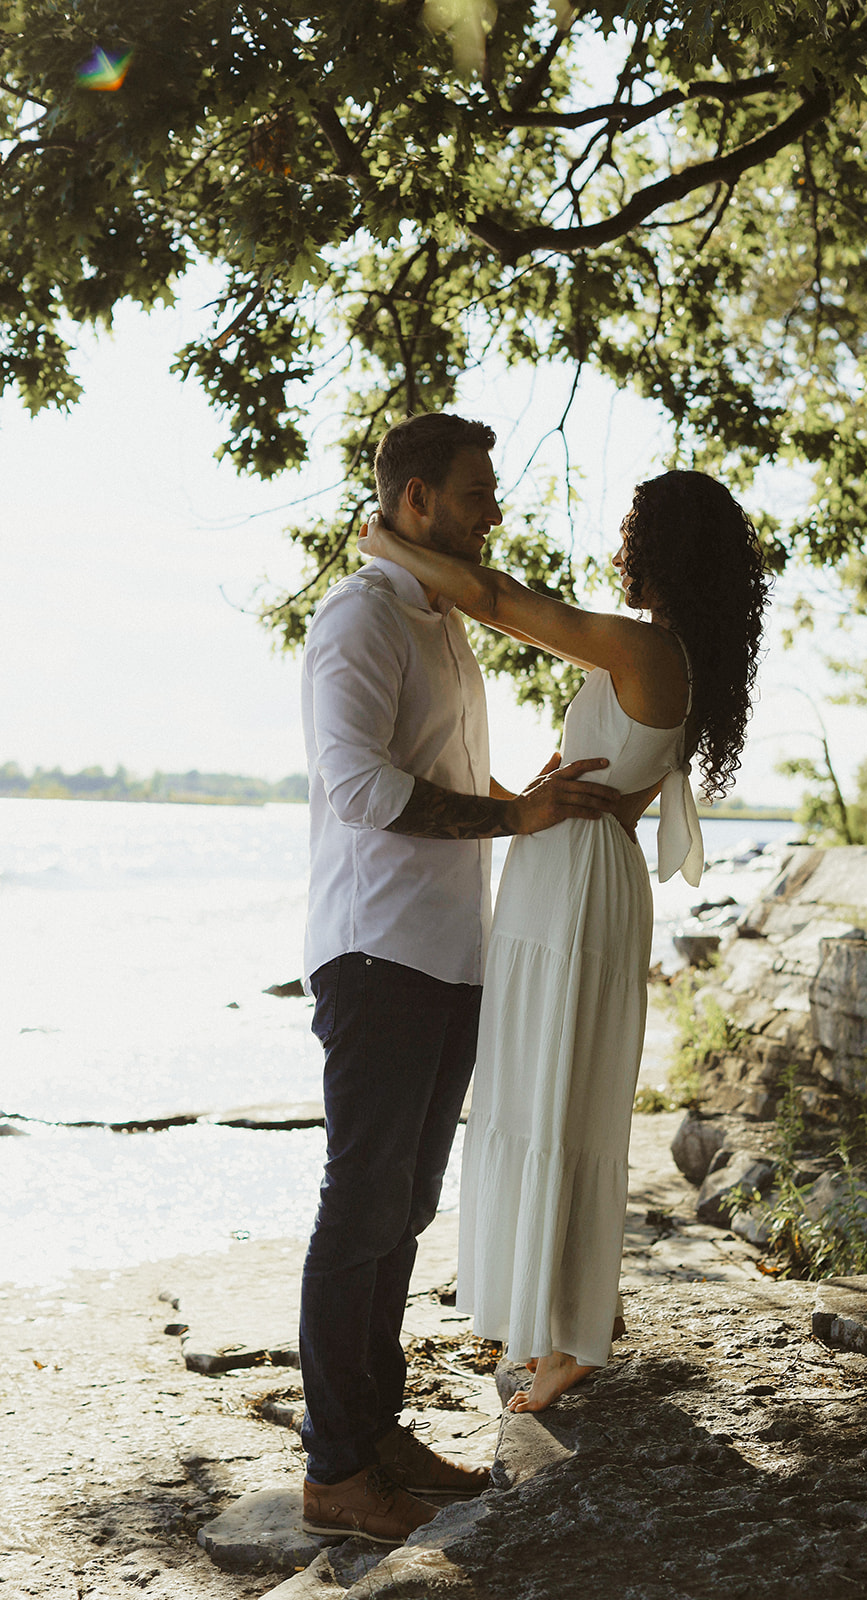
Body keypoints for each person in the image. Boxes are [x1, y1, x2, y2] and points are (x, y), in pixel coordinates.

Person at [358, 469, 768, 1412]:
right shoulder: (650, 654)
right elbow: (554, 793)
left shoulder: (647, 649)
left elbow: (500, 602)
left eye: (632, 535)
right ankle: (573, 1319)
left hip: (578, 889)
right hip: (567, 876)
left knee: (559, 1102)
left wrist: (388, 546)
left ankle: (564, 1337)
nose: (619, 552)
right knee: (550, 1094)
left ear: (666, 552)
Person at [299, 413, 621, 1544]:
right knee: (361, 1206)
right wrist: (506, 814)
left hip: (444, 957)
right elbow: (362, 791)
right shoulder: (356, 618)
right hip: (376, 956)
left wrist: (517, 801)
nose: (493, 510)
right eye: (477, 492)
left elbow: (433, 775)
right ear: (416, 500)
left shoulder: (442, 625)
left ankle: (377, 1439)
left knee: (403, 1208)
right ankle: (334, 1472)